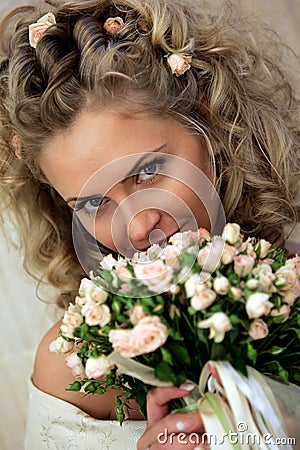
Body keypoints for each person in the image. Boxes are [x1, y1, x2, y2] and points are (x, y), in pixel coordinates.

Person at [0, 0, 299, 448]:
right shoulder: (74, 372)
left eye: (147, 171)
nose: (137, 228)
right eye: (94, 201)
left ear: (207, 123)